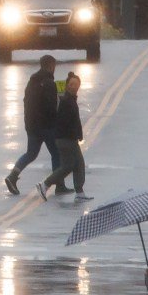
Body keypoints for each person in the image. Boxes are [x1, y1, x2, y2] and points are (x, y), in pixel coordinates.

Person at [5, 55, 68, 195]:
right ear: (51, 66)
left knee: (31, 153)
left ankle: (13, 176)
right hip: (47, 126)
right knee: (56, 153)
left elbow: (26, 101)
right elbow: (51, 107)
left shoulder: (32, 81)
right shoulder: (50, 83)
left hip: (32, 125)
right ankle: (59, 185)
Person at [36, 72, 92, 201]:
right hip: (66, 139)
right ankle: (45, 184)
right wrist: (75, 134)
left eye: (77, 85)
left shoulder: (70, 99)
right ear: (67, 86)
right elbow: (67, 122)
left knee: (78, 164)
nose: (74, 87)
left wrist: (78, 134)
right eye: (72, 84)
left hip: (69, 138)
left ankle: (80, 193)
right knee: (68, 166)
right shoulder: (67, 101)